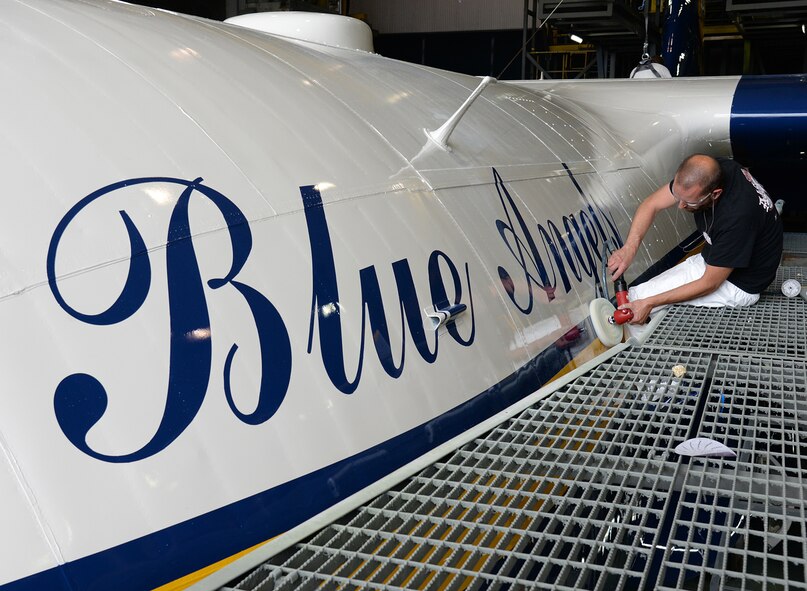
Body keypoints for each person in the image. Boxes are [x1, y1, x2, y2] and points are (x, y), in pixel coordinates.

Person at [607, 154, 783, 325]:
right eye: (678, 197)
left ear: (715, 194)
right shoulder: (713, 170)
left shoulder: (736, 217)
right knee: (642, 299)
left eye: (689, 203)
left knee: (639, 300)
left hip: (739, 284)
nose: (680, 206)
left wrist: (651, 302)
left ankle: (634, 347)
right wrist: (629, 247)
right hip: (715, 259)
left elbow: (710, 283)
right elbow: (652, 204)